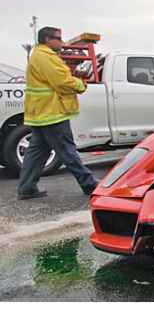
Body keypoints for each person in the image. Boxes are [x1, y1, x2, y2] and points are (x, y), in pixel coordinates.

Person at [16, 26, 98, 200]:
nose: (61, 42)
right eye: (58, 38)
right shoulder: (45, 57)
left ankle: (26, 187)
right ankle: (89, 184)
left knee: (37, 152)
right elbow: (62, 82)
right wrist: (81, 84)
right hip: (51, 112)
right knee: (66, 149)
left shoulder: (39, 55)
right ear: (47, 39)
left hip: (40, 113)